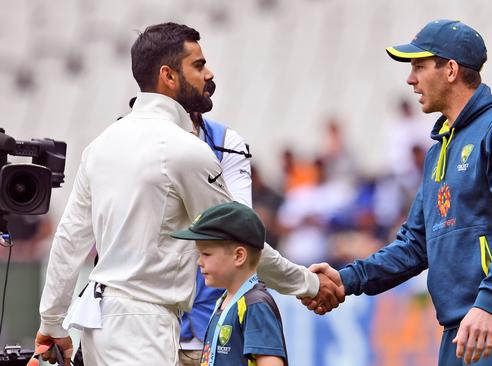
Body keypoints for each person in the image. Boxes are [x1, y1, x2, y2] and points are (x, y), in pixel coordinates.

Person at [35, 22, 341, 366]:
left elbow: (69, 239)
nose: (208, 73)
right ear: (168, 75)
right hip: (142, 328)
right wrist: (310, 285)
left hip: (97, 326)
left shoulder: (100, 145)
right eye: (197, 65)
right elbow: (239, 241)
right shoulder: (186, 150)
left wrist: (51, 320)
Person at [304, 19, 492, 365]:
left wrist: (490, 301)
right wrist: (347, 279)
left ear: (451, 69)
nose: (410, 79)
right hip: (463, 324)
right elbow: (414, 245)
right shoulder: (438, 150)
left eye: (419, 67)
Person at [172, 202, 287, 366]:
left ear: (239, 256)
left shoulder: (255, 305)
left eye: (206, 254)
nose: (199, 262)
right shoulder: (224, 301)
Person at [178, 113, 253, 366]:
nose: (209, 75)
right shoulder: (130, 140)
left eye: (206, 254)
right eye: (199, 69)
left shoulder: (225, 141)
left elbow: (239, 225)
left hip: (212, 340)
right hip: (149, 332)